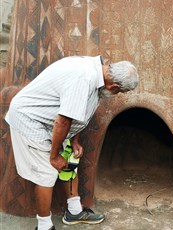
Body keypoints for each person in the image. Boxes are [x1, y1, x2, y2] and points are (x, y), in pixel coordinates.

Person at [5, 55, 139, 230]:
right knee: (46, 173)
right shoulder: (83, 79)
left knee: (69, 162)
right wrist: (53, 156)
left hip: (51, 122)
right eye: (119, 92)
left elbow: (80, 111)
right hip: (31, 120)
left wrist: (74, 140)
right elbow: (63, 120)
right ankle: (44, 226)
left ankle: (74, 212)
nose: (116, 94)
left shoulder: (99, 68)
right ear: (113, 86)